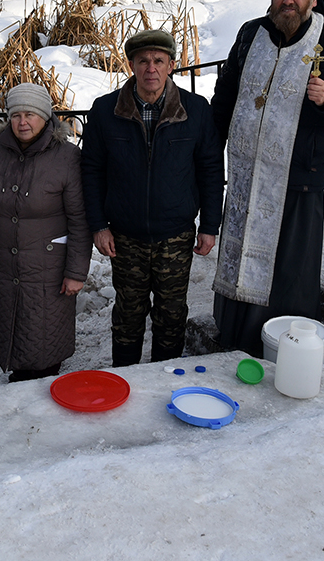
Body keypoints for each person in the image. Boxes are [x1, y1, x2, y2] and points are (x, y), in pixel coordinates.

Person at [210, 0, 324, 357]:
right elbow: (226, 95)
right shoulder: (251, 35)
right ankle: (232, 335)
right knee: (241, 255)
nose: (288, 1)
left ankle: (283, 347)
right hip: (247, 175)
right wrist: (211, 145)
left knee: (288, 272)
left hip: (299, 176)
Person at [80, 29, 224, 367]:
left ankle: (164, 379)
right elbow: (91, 171)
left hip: (175, 233)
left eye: (158, 60)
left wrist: (210, 224)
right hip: (125, 235)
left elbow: (211, 170)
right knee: (128, 316)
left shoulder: (194, 110)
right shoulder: (105, 111)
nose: (150, 68)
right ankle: (126, 382)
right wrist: (98, 225)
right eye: (143, 61)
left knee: (171, 317)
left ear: (171, 65)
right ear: (131, 65)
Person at [0, 83, 91, 381]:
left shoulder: (66, 157)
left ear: (45, 117)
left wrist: (76, 272)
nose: (22, 122)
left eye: (30, 114)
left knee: (44, 335)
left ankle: (42, 388)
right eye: (16, 114)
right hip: (2, 262)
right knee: (10, 328)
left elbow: (79, 219)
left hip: (48, 267)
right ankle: (20, 383)